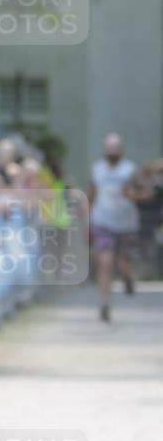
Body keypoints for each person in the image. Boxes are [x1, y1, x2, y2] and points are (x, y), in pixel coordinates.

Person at [87, 133, 141, 322]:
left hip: (125, 222)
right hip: (102, 220)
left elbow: (141, 191)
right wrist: (87, 219)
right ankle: (105, 303)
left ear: (121, 150)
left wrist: (133, 194)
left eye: (115, 148)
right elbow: (91, 194)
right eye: (109, 148)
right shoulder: (97, 169)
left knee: (123, 261)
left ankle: (127, 277)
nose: (112, 152)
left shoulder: (130, 169)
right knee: (105, 262)